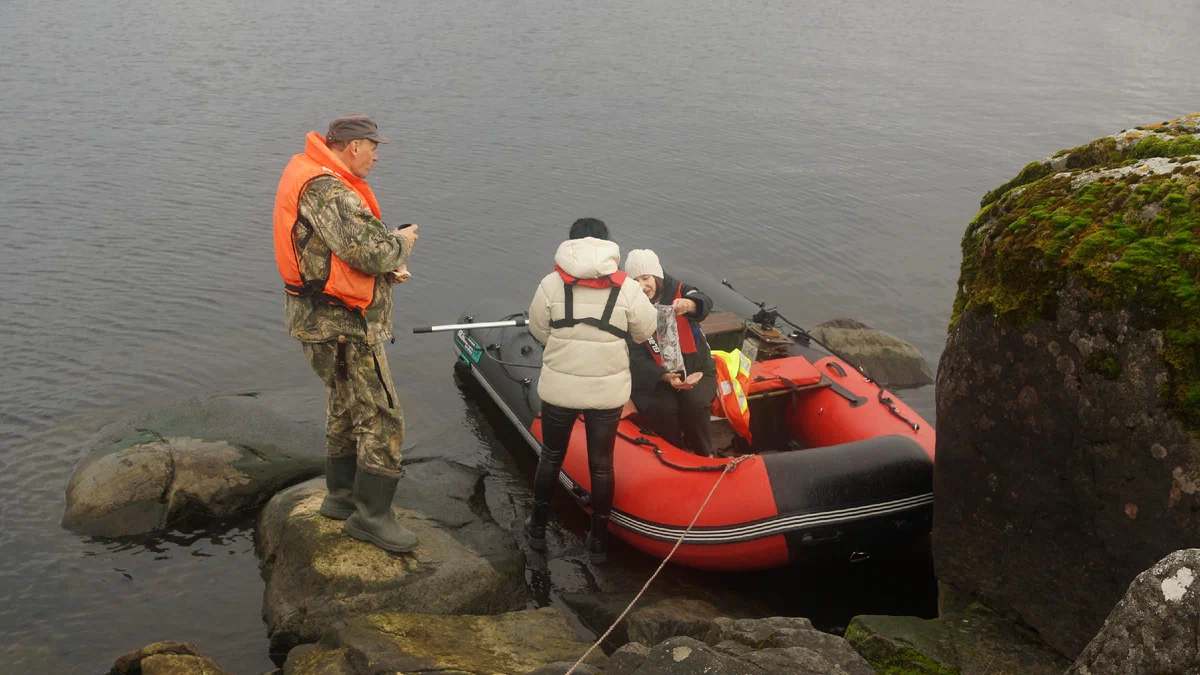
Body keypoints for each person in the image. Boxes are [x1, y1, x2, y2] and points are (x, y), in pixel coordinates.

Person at [272, 114, 421, 553]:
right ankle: (373, 517)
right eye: (374, 147)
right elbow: (370, 249)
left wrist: (383, 271)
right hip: (344, 326)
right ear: (352, 146)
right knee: (382, 413)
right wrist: (401, 243)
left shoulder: (309, 174)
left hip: (318, 319)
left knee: (343, 403)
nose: (376, 156)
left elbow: (330, 254)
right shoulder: (329, 190)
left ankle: (340, 498)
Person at [524, 218, 657, 562]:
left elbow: (539, 330)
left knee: (551, 455)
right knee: (602, 464)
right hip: (607, 392)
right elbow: (644, 331)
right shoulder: (627, 287)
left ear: (571, 243)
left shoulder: (551, 284)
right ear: (606, 243)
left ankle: (537, 526)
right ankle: (598, 539)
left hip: (559, 388)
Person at [623, 249, 719, 457]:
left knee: (695, 403)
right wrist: (663, 377)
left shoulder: (680, 289)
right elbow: (635, 357)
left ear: (656, 275)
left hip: (696, 368)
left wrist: (688, 305)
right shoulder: (629, 306)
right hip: (654, 376)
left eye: (646, 278)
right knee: (664, 409)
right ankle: (673, 453)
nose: (642, 285)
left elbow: (703, 301)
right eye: (635, 280)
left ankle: (705, 452)